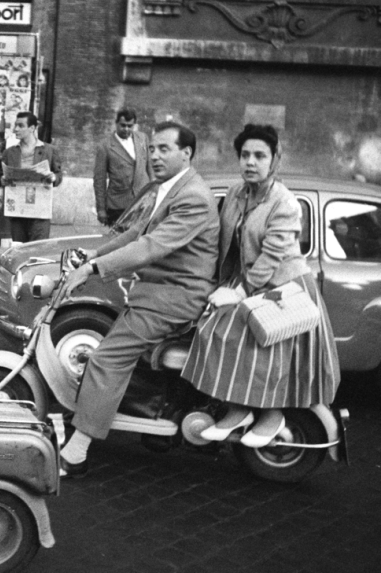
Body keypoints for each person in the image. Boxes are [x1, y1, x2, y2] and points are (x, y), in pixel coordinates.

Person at [58, 122, 219, 478]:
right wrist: (92, 256)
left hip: (172, 298)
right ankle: (149, 419)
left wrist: (93, 270)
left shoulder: (193, 196)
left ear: (186, 154)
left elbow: (151, 246)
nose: (155, 155)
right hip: (157, 293)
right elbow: (134, 232)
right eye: (152, 149)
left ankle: (77, 452)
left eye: (164, 149)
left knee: (105, 359)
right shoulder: (169, 188)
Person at [181, 124, 340, 447]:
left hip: (283, 287)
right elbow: (222, 239)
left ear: (274, 161)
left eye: (259, 156)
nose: (250, 162)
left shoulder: (285, 202)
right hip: (248, 279)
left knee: (264, 347)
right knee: (213, 329)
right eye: (245, 155)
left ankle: (271, 415)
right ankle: (238, 410)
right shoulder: (237, 193)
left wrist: (238, 292)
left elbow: (270, 257)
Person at [1, 112, 62, 242]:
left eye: (20, 125)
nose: (16, 129)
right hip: (18, 210)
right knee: (18, 247)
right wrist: (3, 180)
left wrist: (53, 177)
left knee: (37, 249)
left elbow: (59, 174)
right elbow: (3, 177)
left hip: (39, 210)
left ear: (32, 128)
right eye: (15, 125)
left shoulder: (49, 150)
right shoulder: (9, 152)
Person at [93, 108, 152, 228]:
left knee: (141, 241)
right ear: (116, 123)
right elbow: (99, 180)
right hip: (118, 205)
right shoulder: (105, 146)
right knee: (119, 242)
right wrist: (101, 209)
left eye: (130, 126)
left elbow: (150, 168)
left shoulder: (143, 139)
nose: (126, 129)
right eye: (123, 125)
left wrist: (154, 193)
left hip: (142, 202)